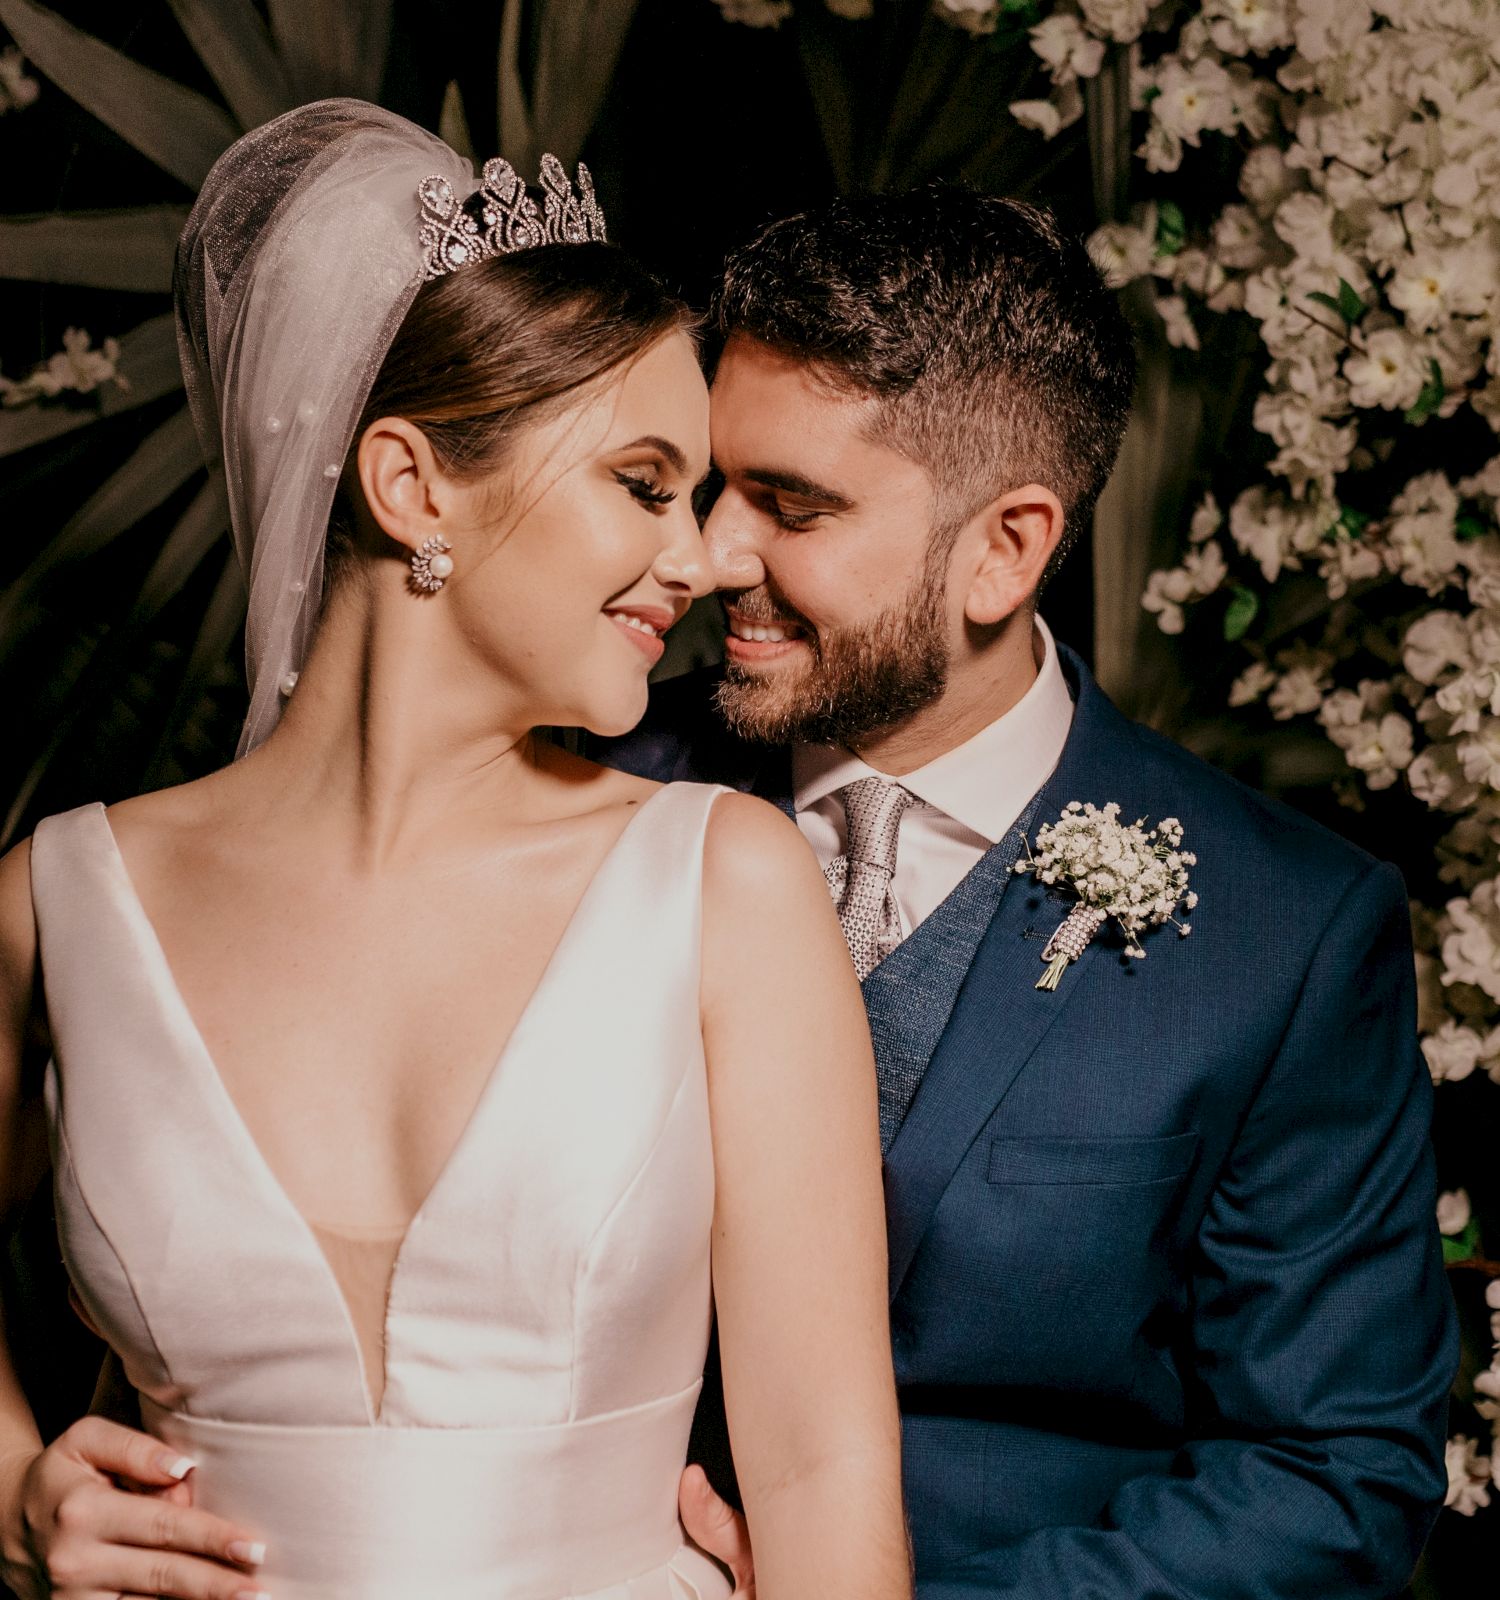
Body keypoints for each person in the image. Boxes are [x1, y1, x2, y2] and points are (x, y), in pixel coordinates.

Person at [0, 100, 912, 1600]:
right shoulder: (62, 900)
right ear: (412, 485)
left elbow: (821, 1476)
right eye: (643, 485)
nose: (695, 565)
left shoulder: (724, 887)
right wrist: (17, 1498)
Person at [599, 186, 1460, 1598]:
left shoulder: (1286, 934)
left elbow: (1331, 1471)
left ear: (1006, 548)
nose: (709, 558)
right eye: (708, 482)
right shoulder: (578, 789)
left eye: (792, 507)